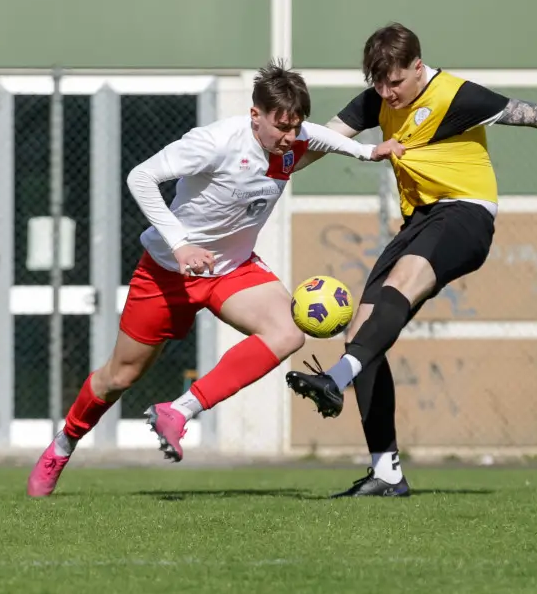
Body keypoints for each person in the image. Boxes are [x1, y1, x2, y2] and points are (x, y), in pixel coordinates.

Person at [285, 22, 537, 497]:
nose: (387, 93)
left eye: (396, 82)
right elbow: (326, 139)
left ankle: (334, 378)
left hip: (466, 214)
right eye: (379, 83)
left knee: (402, 283)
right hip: (419, 222)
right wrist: (275, 167)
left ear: (417, 66)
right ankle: (386, 473)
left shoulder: (455, 95)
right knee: (361, 332)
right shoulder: (378, 99)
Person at [27, 60, 402, 497]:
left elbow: (319, 135)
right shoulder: (215, 142)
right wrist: (181, 244)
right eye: (281, 126)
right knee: (119, 377)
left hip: (234, 269)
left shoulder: (293, 138)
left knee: (287, 333)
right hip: (168, 272)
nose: (290, 137)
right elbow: (140, 177)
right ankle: (63, 444)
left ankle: (179, 411)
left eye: (295, 126)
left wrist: (368, 152)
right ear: (255, 115)